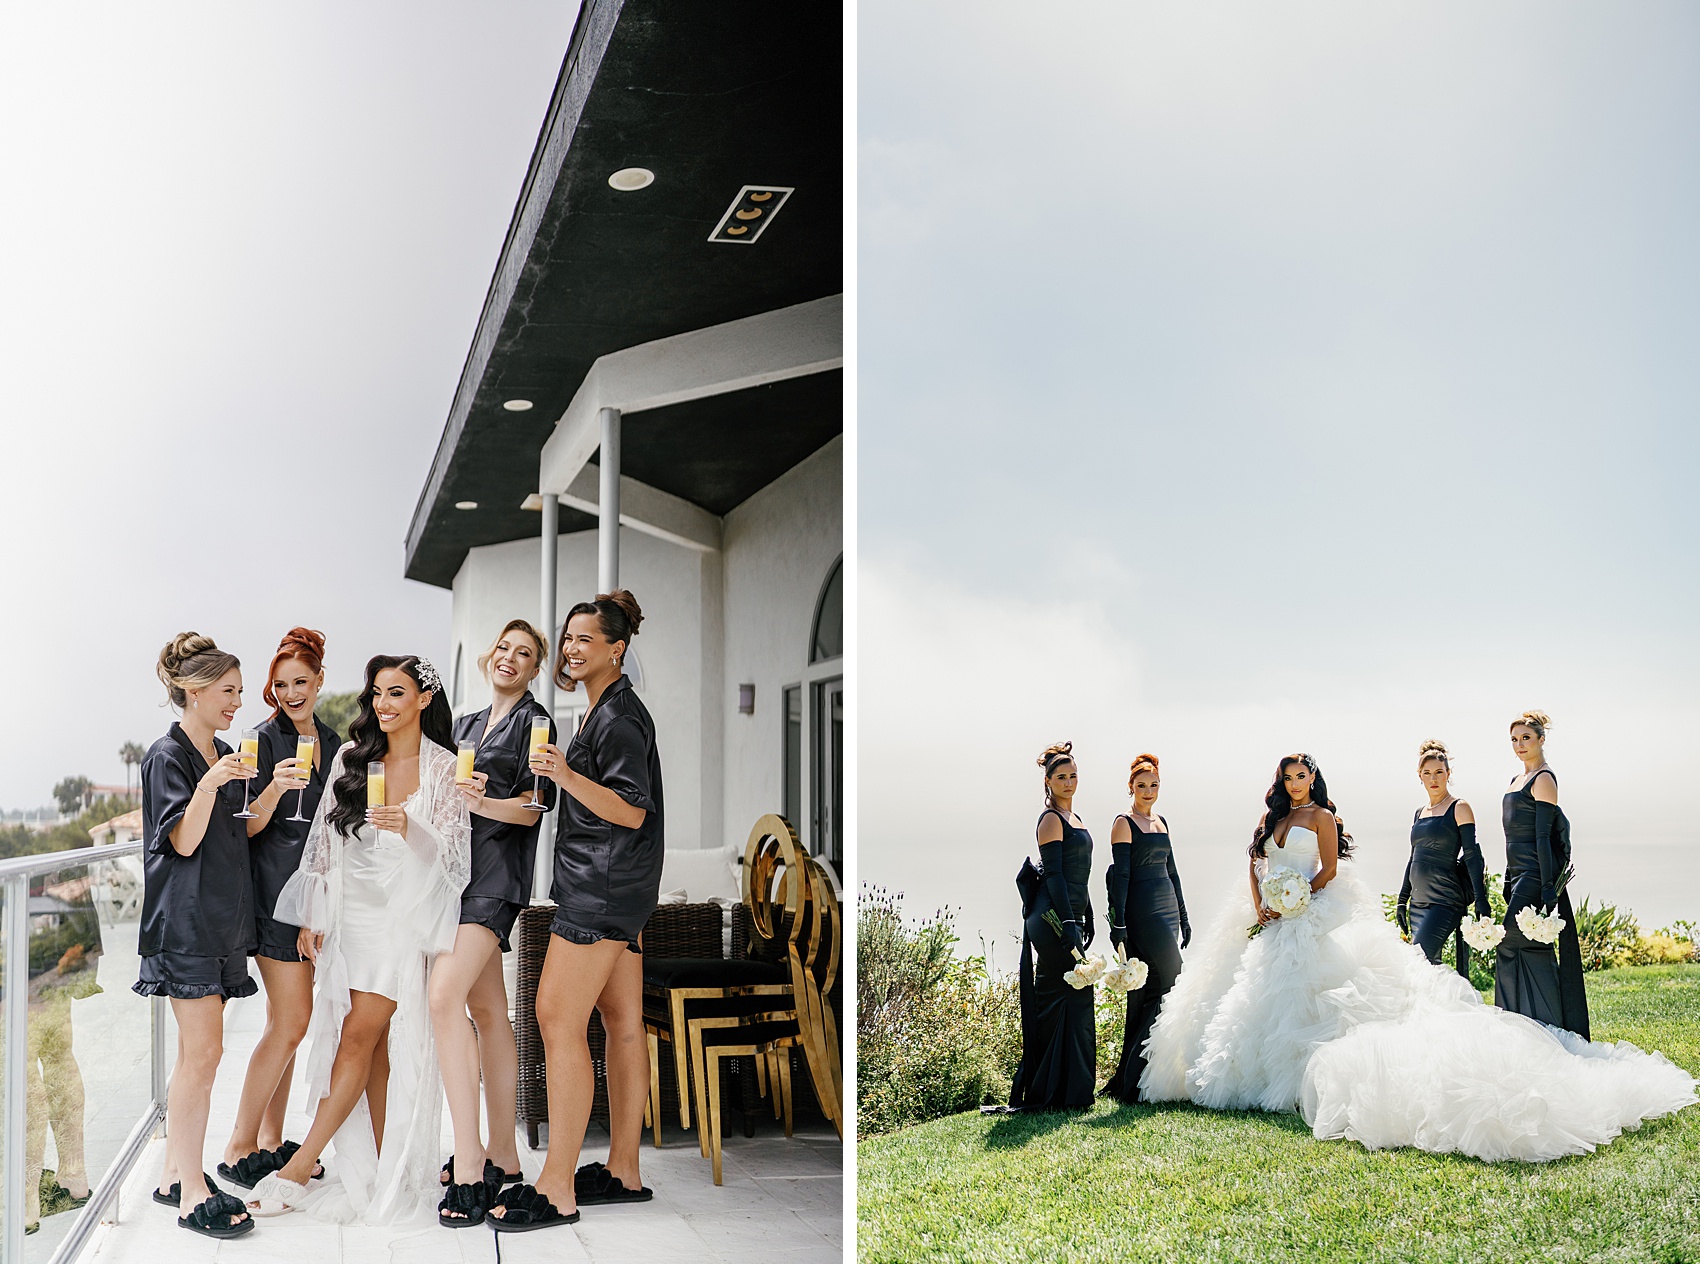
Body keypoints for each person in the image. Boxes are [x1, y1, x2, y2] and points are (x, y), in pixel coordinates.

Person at [1143, 753, 1697, 1161]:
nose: (1295, 783)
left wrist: (1297, 900)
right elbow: (1256, 859)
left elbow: (1328, 869)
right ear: (1280, 782)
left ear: (1313, 779)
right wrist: (1265, 901)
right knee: (1251, 997)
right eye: (1289, 777)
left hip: (1309, 913)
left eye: (1302, 775)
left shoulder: (1321, 818)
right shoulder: (1274, 821)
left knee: (1318, 997)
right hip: (1270, 918)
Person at [249, 656, 473, 1224]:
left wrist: (410, 826)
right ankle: (378, 1167)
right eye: (377, 693)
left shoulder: (444, 767)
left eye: (396, 693)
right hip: (352, 918)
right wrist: (314, 915)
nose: (383, 704)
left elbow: (455, 860)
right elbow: (325, 841)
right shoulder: (352, 757)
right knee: (368, 1049)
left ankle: (299, 1166)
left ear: (424, 699)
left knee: (356, 1037)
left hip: (402, 922)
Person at [489, 591, 661, 1231]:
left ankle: (557, 1185)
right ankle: (623, 1171)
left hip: (602, 888)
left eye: (586, 639)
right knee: (621, 1023)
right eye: (568, 638)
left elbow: (632, 810)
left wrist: (562, 774)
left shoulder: (618, 719)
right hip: (619, 887)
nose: (571, 648)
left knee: (555, 1017)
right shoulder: (603, 708)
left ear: (617, 649)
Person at [432, 619, 555, 1224]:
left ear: (535, 669)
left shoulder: (537, 723)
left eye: (524, 653)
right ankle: (503, 1152)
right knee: (486, 1010)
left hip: (496, 881)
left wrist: (482, 802)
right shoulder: (465, 725)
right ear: (490, 656)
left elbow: (533, 809)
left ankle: (472, 1159)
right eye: (504, 647)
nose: (510, 658)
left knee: (443, 997)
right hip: (456, 878)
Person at [136, 633, 257, 1239]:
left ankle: (171, 1176)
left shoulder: (225, 752)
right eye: (228, 690)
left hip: (220, 920)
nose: (237, 701)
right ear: (195, 690)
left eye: (239, 691)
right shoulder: (167, 756)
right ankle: (191, 1192)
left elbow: (235, 833)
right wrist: (211, 782)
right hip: (184, 925)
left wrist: (273, 789)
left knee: (195, 1054)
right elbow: (183, 841)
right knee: (205, 1054)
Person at [220, 628, 340, 1189]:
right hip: (272, 899)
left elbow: (335, 828)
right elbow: (244, 829)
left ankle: (269, 1140)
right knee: (292, 1023)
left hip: (317, 903)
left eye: (300, 682)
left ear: (319, 681)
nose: (291, 693)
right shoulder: (260, 741)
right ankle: (239, 1144)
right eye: (281, 684)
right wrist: (273, 787)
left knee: (284, 1024)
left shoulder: (334, 744)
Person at [1007, 742, 1097, 1111]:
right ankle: (1055, 1090)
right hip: (1050, 917)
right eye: (1061, 777)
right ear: (1048, 781)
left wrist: (1088, 911)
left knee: (1067, 995)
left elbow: (1079, 874)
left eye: (1073, 775)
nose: (1069, 782)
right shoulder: (1050, 820)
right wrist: (1070, 920)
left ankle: (1061, 1089)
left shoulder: (1075, 818)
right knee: (1070, 990)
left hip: (1070, 912)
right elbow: (1056, 876)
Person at [1101, 752, 1188, 1103]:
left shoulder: (1161, 821)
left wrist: (1184, 915)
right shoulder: (1123, 823)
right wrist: (1118, 923)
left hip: (1167, 908)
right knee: (1171, 982)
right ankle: (1135, 1077)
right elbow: (1121, 877)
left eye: (1154, 785)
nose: (1148, 791)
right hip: (1143, 912)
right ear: (1131, 787)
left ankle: (1136, 1079)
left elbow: (1173, 872)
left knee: (1156, 990)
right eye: (1141, 785)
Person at [1496, 711, 1589, 1038]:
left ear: (1541, 739)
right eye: (1514, 739)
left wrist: (1548, 886)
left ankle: (1536, 1030)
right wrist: (1508, 878)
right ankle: (1530, 1030)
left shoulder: (1544, 780)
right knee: (1525, 950)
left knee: (1510, 946)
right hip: (1518, 875)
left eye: (1526, 738)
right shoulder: (1515, 781)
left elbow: (1541, 837)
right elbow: (1511, 838)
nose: (1519, 745)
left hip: (1536, 876)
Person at [1395, 739, 1491, 977]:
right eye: (1427, 773)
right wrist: (1402, 899)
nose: (1433, 779)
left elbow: (1471, 856)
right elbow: (1413, 858)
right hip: (1418, 903)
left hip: (1444, 901)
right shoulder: (1419, 813)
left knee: (1420, 964)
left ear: (1448, 773)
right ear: (1419, 776)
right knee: (1427, 969)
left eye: (1439, 772)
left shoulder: (1459, 807)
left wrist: (1481, 900)